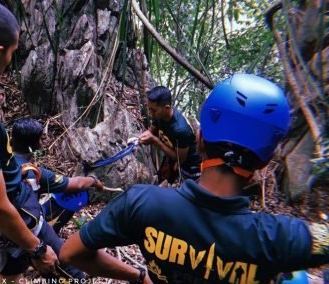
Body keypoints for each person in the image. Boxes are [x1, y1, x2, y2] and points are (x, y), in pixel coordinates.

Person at [0, 1, 143, 282]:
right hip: (17, 218)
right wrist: (37, 247)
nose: (9, 62)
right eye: (12, 53)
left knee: (12, 273)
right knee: (73, 272)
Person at [60, 74, 329, 283]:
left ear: (200, 138)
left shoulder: (141, 203)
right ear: (265, 162)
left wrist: (139, 276)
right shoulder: (279, 238)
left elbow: (70, 253)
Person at [11, 117, 104, 233]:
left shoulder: (0, 160)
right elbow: (77, 185)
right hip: (22, 228)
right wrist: (93, 180)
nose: (42, 143)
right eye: (40, 140)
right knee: (59, 248)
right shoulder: (34, 173)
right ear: (34, 145)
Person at [139, 86, 201, 183]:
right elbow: (151, 130)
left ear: (167, 108)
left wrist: (155, 141)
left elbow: (180, 159)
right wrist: (139, 138)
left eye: (153, 110)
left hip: (190, 166)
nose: (150, 113)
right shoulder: (159, 114)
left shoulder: (181, 130)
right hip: (173, 154)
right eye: (149, 109)